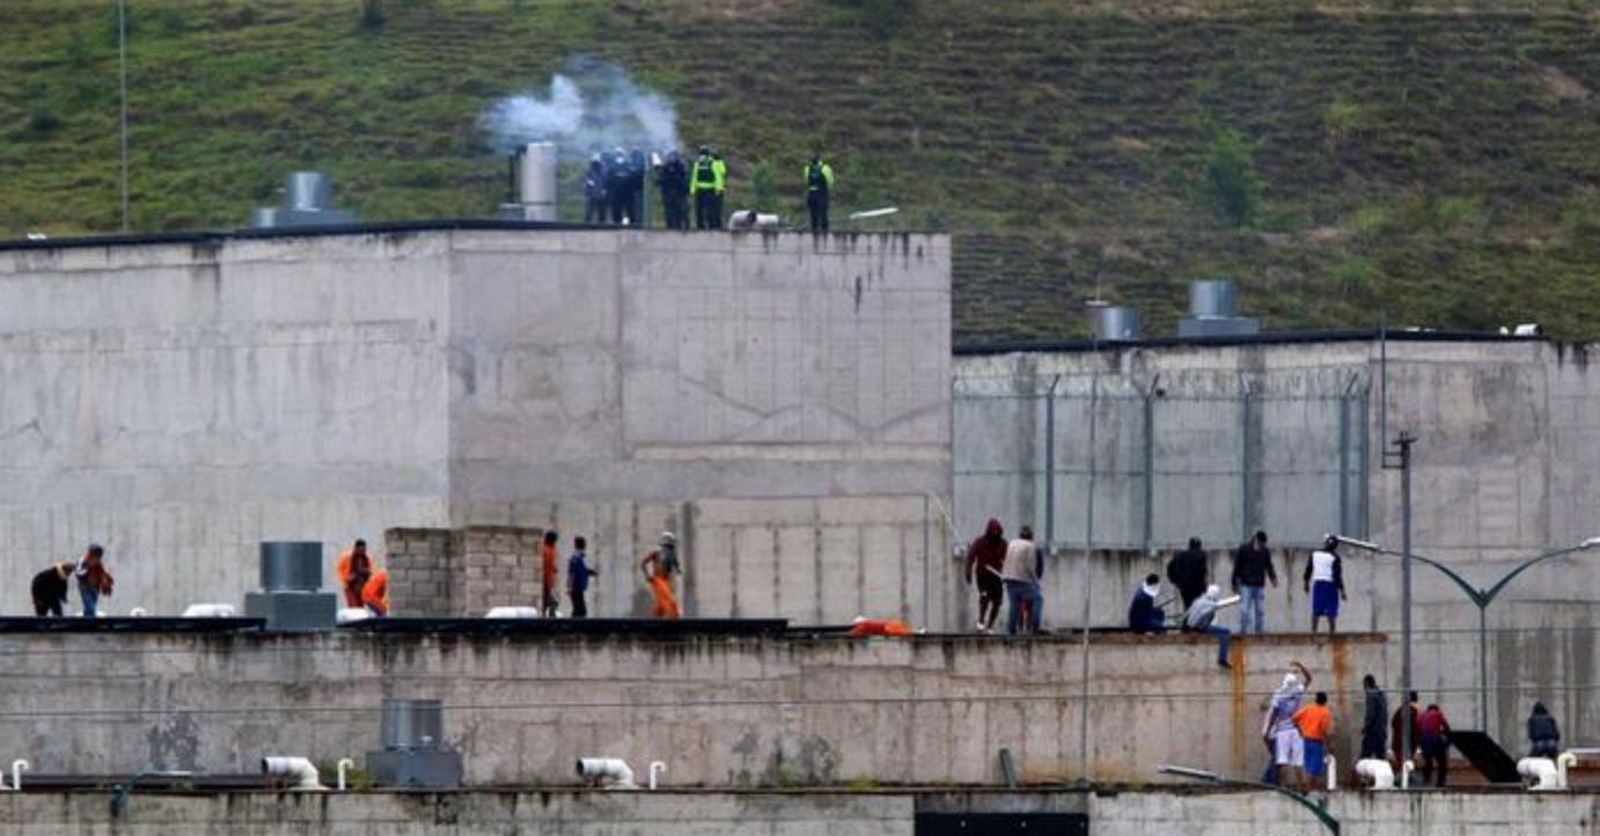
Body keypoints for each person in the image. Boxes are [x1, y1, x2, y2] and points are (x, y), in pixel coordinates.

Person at [1262, 667, 1310, 786]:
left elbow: (1273, 715)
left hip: (1282, 731)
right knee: (1298, 762)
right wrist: (1301, 667)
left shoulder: (1279, 695)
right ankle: (1302, 786)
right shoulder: (1297, 691)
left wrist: (1267, 731)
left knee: (1282, 760)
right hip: (1295, 729)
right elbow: (1309, 679)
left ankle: (1283, 786)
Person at [965, 518, 1008, 633]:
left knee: (997, 601)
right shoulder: (980, 542)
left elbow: (1008, 560)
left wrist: (1008, 575)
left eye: (997, 533)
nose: (995, 535)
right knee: (985, 596)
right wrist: (968, 572)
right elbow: (971, 557)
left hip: (997, 576)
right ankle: (981, 621)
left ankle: (990, 625)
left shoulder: (1003, 544)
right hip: (983, 575)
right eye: (993, 532)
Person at [1231, 530, 1278, 634]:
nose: (1261, 546)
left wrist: (1273, 578)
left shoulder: (1265, 551)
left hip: (1259, 585)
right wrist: (1234, 582)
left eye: (1262, 545)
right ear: (1256, 540)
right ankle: (1243, 632)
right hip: (1246, 585)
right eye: (1260, 544)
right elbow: (1237, 566)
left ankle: (1258, 632)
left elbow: (1269, 566)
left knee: (1260, 611)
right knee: (1244, 610)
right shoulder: (1244, 549)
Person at [1000, 525, 1043, 636]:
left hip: (1009, 578)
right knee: (1038, 598)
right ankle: (1035, 626)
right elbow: (1030, 567)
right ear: (1031, 537)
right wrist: (1035, 582)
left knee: (1015, 605)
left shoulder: (1012, 543)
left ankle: (1011, 632)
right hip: (1022, 580)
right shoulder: (1030, 546)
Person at [1303, 535, 1347, 633]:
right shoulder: (1335, 557)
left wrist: (1306, 583)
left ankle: (1314, 631)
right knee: (1331, 611)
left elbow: (1308, 570)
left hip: (1318, 584)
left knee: (1316, 609)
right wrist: (1342, 590)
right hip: (1330, 586)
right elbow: (1337, 576)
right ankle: (1332, 632)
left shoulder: (1315, 554)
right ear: (1336, 546)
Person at [1182, 584, 1232, 669]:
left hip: (1194, 626)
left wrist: (1186, 625)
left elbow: (1188, 612)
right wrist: (1193, 628)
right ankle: (1222, 658)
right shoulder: (1211, 604)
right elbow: (1202, 615)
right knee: (1225, 632)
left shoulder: (1199, 600)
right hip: (1200, 628)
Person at [1293, 692, 1333, 790]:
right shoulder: (1325, 712)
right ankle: (1309, 789)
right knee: (1314, 768)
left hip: (1306, 740)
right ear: (1325, 701)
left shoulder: (1308, 708)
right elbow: (1324, 730)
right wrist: (1328, 743)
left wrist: (1300, 731)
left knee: (1308, 765)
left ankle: (1308, 787)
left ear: (1316, 699)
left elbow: (1294, 719)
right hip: (1317, 742)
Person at [640, 535, 681, 619]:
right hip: (657, 579)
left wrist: (677, 571)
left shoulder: (671, 554)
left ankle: (656, 620)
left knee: (661, 604)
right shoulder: (656, 552)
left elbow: (675, 565)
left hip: (666, 580)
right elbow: (643, 563)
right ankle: (673, 615)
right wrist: (647, 576)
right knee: (669, 599)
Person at [1166, 537, 1208, 611]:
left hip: (1184, 587)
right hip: (1197, 587)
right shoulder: (1201, 555)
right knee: (1197, 608)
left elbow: (1170, 567)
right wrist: (1204, 587)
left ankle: (1187, 620)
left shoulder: (1181, 555)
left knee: (1187, 606)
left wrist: (1175, 581)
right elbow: (1202, 572)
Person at [74, 544, 113, 618]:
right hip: (85, 586)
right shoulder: (83, 561)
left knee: (91, 606)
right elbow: (78, 572)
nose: (96, 560)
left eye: (98, 557)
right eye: (95, 557)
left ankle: (88, 620)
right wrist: (88, 568)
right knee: (90, 606)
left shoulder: (98, 564)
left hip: (95, 587)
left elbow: (102, 573)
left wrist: (106, 582)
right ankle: (90, 624)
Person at [690, 145, 725, 230]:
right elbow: (720, 174)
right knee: (711, 210)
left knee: (700, 210)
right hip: (711, 190)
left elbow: (694, 177)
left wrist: (692, 190)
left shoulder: (698, 162)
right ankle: (712, 227)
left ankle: (700, 227)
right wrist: (719, 189)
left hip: (700, 190)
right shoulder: (713, 161)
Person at [1419, 702, 1451, 787]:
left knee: (1428, 761)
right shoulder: (1438, 714)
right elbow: (1446, 728)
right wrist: (1446, 743)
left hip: (1424, 740)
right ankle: (1440, 782)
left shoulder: (1422, 715)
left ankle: (1426, 780)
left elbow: (1418, 729)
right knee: (1442, 762)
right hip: (1435, 739)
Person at [567, 536, 599, 619]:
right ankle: (575, 628)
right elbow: (571, 573)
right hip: (576, 587)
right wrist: (569, 587)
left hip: (579, 587)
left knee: (578, 609)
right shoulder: (576, 558)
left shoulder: (580, 557)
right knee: (580, 610)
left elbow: (583, 571)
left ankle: (575, 626)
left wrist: (592, 572)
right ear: (584, 545)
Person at [336, 539, 374, 609]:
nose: (361, 552)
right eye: (360, 550)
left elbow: (370, 571)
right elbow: (339, 569)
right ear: (355, 548)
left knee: (360, 608)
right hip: (349, 586)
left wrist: (367, 572)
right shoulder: (347, 557)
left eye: (363, 550)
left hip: (362, 586)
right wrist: (346, 578)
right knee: (354, 607)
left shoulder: (367, 558)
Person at [657, 150, 689, 230]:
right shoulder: (669, 167)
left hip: (675, 193)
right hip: (672, 193)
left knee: (678, 211)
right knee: (672, 211)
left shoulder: (679, 166)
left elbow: (661, 180)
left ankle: (677, 226)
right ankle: (673, 226)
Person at [804, 151, 835, 233]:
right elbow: (807, 180)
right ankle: (814, 231)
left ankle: (825, 232)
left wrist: (824, 190)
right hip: (812, 193)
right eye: (810, 158)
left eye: (813, 157)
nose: (811, 159)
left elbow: (830, 181)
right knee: (813, 215)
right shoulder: (808, 168)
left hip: (822, 193)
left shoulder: (825, 168)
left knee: (822, 214)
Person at [1360, 674, 1388, 760]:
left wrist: (1365, 728)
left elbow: (1370, 714)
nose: (1364, 689)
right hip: (1381, 731)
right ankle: (1385, 773)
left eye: (1364, 686)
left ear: (1367, 684)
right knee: (1381, 757)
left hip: (1373, 732)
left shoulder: (1371, 695)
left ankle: (1362, 772)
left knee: (1365, 756)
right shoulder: (1381, 695)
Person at [1390, 690, 1421, 770]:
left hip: (1398, 743)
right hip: (1408, 744)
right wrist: (1417, 744)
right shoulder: (1414, 711)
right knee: (1406, 766)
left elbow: (1393, 723)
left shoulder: (1400, 710)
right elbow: (1416, 729)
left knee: (1402, 765)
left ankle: (1401, 779)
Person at [606, 149, 633, 225]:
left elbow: (631, 178)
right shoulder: (612, 167)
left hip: (627, 193)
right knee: (616, 210)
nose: (619, 156)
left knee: (628, 210)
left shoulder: (628, 165)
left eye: (620, 154)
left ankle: (628, 223)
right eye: (618, 154)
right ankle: (617, 223)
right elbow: (609, 180)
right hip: (615, 194)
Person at [583, 154, 609, 224]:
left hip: (601, 193)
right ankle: (586, 225)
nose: (596, 163)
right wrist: (589, 184)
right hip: (591, 193)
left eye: (597, 161)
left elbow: (606, 181)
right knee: (589, 211)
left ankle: (602, 226)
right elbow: (586, 180)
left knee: (602, 212)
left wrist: (604, 190)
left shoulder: (603, 170)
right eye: (594, 161)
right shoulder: (589, 170)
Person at [540, 530, 561, 618]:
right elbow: (544, 565)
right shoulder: (545, 549)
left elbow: (550, 564)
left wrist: (554, 568)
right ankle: (547, 616)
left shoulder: (552, 549)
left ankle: (549, 615)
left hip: (550, 581)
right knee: (550, 600)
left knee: (552, 600)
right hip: (546, 580)